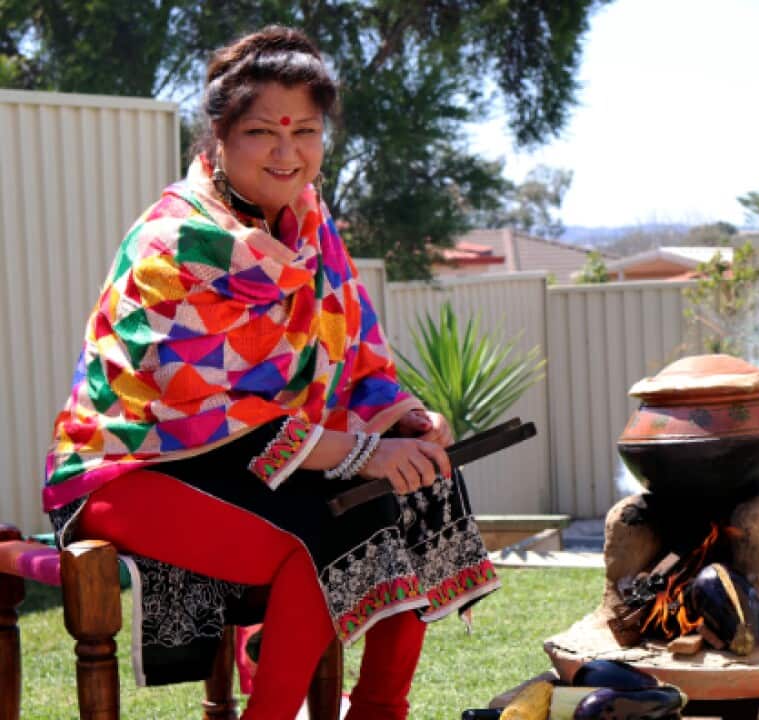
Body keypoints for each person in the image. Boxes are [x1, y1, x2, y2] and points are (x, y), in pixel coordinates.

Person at [41, 25, 499, 720]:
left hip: (255, 461)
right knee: (310, 539)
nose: (288, 154)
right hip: (132, 467)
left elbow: (361, 360)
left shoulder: (314, 229)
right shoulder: (175, 243)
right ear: (219, 137)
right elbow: (201, 410)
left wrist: (407, 422)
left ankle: (381, 709)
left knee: (419, 488)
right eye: (262, 132)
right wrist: (368, 451)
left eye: (307, 132)